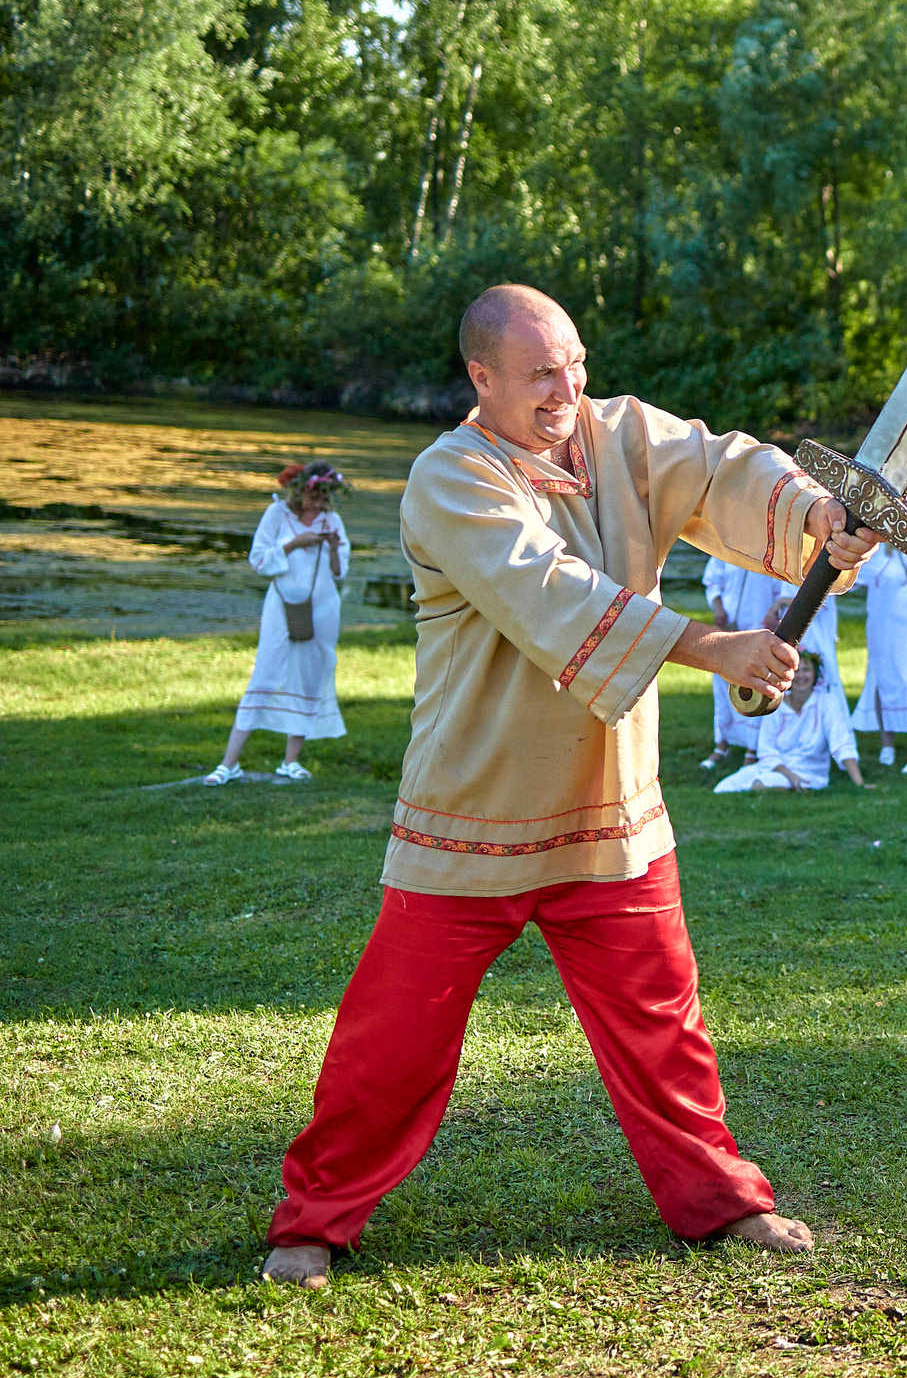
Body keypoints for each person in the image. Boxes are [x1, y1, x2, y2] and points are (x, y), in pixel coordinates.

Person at [259, 284, 871, 1289]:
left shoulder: (621, 436)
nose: (564, 388)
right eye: (541, 373)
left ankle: (721, 1202)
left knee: (662, 1026)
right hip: (474, 812)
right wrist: (715, 646)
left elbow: (724, 467)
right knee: (394, 1039)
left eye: (573, 364)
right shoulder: (451, 477)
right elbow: (549, 589)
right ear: (482, 377)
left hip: (610, 810)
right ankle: (313, 1222)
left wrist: (818, 518)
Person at [206, 461, 350, 785]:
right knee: (266, 672)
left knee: (309, 676)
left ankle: (290, 761)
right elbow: (257, 560)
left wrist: (332, 546)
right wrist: (294, 543)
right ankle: (229, 763)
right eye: (316, 494)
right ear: (301, 489)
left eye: (325, 496)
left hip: (322, 606)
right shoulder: (276, 514)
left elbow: (340, 572)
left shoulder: (333, 520)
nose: (319, 502)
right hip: (281, 605)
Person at [713, 650, 868, 792]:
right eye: (797, 671)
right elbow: (766, 750)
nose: (802, 676)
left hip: (809, 772)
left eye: (807, 670)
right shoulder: (775, 704)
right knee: (723, 788)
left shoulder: (826, 703)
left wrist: (859, 783)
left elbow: (841, 744)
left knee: (759, 785)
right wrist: (792, 777)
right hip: (777, 768)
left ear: (815, 673)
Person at [849, 534, 907, 775]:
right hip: (881, 630)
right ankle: (886, 744)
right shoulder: (875, 554)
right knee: (880, 681)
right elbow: (852, 577)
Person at [700, 553, 748, 766]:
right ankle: (722, 743)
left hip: (757, 625)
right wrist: (719, 610)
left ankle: (753, 747)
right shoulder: (728, 545)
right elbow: (712, 580)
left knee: (753, 687)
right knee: (722, 685)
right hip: (727, 625)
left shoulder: (772, 545)